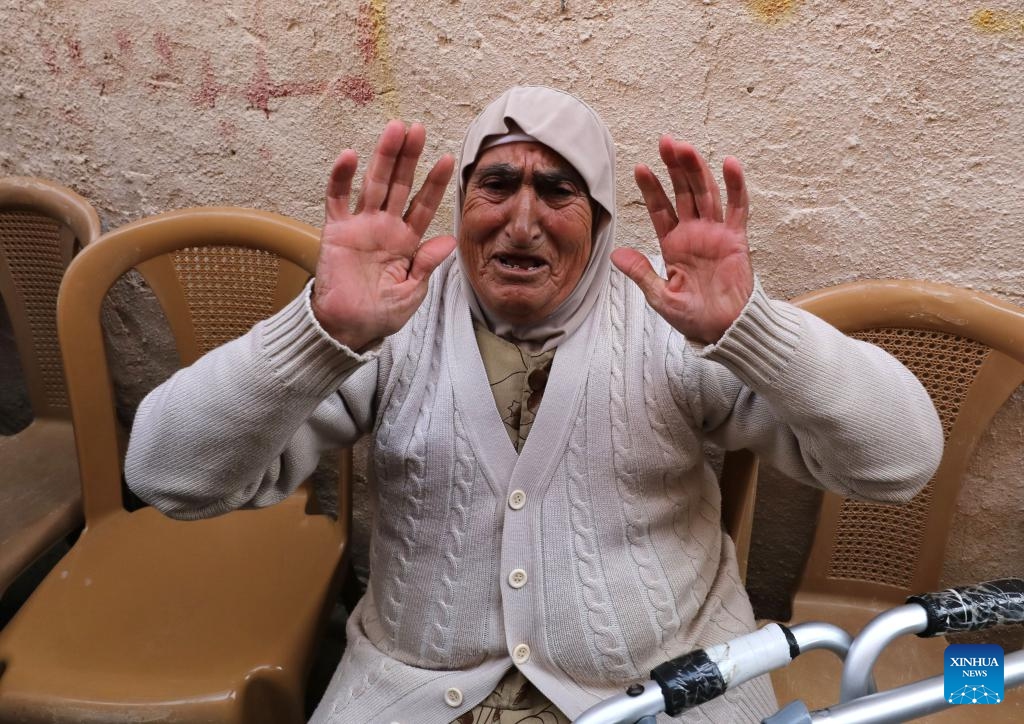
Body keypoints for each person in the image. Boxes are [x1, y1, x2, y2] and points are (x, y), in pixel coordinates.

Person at [125, 86, 943, 723]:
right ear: (461, 204)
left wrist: (753, 327)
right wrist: (322, 328)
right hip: (415, 691)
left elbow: (901, 462)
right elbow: (168, 475)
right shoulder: (393, 316)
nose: (522, 221)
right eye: (499, 185)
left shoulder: (673, 318)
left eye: (558, 191)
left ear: (600, 218)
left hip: (667, 692)